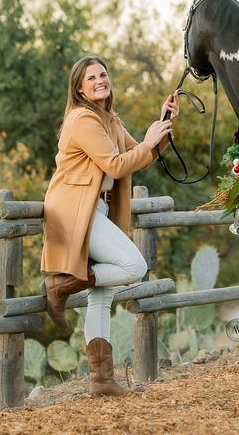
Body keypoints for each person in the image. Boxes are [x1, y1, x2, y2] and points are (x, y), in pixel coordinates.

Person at [40, 55, 178, 396]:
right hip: (75, 211)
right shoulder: (82, 119)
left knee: (102, 298)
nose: (101, 80)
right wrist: (147, 143)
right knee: (135, 266)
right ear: (79, 88)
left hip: (96, 210)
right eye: (92, 78)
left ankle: (101, 381)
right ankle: (61, 285)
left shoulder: (108, 119)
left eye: (103, 74)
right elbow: (117, 166)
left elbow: (138, 154)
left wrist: (162, 125)